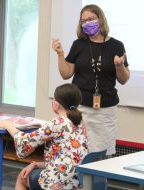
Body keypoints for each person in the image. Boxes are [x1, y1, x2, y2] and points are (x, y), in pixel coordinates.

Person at [52, 4, 130, 156]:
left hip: (105, 111)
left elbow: (124, 79)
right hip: (79, 109)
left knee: (103, 156)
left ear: (100, 19)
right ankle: (79, 181)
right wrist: (60, 54)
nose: (87, 23)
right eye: (83, 21)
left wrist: (119, 66)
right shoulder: (79, 44)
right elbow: (66, 74)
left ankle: (99, 181)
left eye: (91, 19)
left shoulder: (116, 45)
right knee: (78, 151)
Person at [0, 83, 88, 190]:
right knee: (35, 172)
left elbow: (24, 143)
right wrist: (35, 164)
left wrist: (8, 125)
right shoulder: (80, 123)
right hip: (80, 182)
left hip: (62, 184)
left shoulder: (56, 123)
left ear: (57, 104)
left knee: (22, 178)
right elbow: (67, 157)